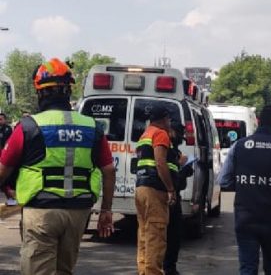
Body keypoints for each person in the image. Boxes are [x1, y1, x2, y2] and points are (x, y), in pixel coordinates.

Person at [0, 58, 116, 274]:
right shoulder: (92, 126)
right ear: (68, 91)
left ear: (40, 92)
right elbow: (109, 171)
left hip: (41, 211)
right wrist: (106, 210)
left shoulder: (28, 126)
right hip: (78, 213)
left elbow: (2, 170)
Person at [218, 105, 271, 275]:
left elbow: (222, 180)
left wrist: (244, 186)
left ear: (258, 121)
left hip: (246, 218)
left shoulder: (239, 146)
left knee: (248, 268)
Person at [134, 105, 177, 275]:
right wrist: (171, 189)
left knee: (144, 234)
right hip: (154, 190)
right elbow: (160, 162)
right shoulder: (160, 133)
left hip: (142, 188)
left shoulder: (146, 134)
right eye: (169, 119)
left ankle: (144, 271)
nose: (169, 123)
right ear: (164, 119)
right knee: (156, 235)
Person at [163, 121, 193, 275]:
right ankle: (166, 267)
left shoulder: (174, 150)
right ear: (170, 131)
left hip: (173, 197)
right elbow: (170, 176)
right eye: (179, 133)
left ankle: (170, 267)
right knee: (165, 235)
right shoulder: (165, 148)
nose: (181, 137)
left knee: (174, 235)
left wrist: (184, 168)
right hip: (166, 198)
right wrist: (182, 169)